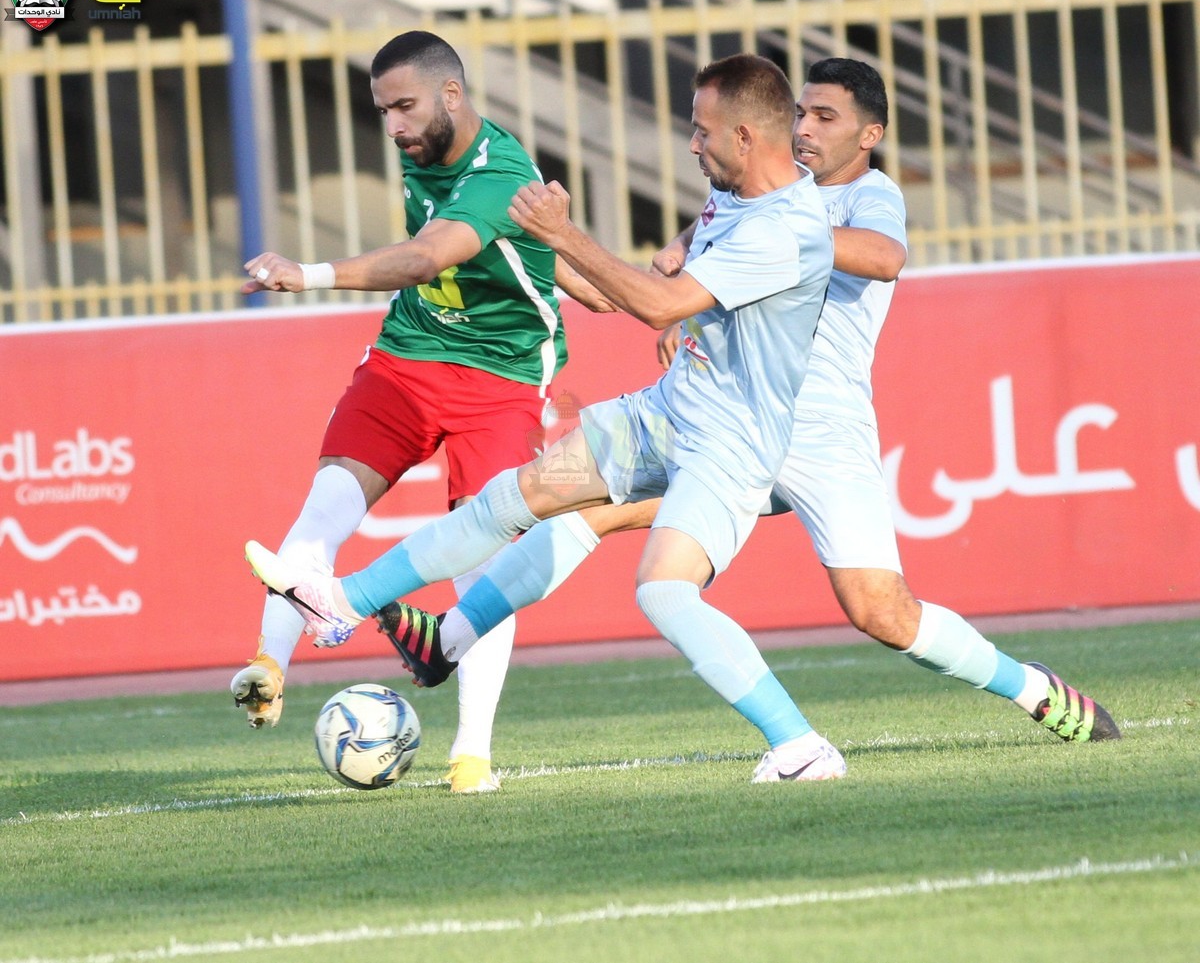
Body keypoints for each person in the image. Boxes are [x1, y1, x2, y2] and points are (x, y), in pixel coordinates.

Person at [363, 57, 1121, 751]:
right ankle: (449, 637)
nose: (807, 127)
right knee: (585, 507)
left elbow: (886, 257)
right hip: (721, 417)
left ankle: (1031, 688)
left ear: (869, 136)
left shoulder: (865, 196)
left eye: (826, 117)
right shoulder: (745, 191)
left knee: (882, 613)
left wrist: (775, 241)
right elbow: (711, 247)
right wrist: (695, 279)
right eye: (802, 112)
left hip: (819, 433)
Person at [246, 53, 852, 783]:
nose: (692, 144)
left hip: (729, 445)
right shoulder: (739, 192)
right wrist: (665, 273)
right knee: (511, 499)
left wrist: (564, 236)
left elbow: (658, 304)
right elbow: (672, 283)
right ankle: (345, 603)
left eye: (702, 131)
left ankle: (800, 745)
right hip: (661, 416)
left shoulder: (787, 227)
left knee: (664, 590)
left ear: (747, 137)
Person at [228, 29, 614, 795]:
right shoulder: (423, 151)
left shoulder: (499, 171)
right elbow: (497, 249)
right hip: (407, 355)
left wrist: (307, 273)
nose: (394, 126)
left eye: (404, 106)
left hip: (501, 377)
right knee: (323, 508)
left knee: (483, 558)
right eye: (383, 111)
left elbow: (427, 255)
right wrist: (569, 266)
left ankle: (471, 755)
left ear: (452, 94)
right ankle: (269, 664)